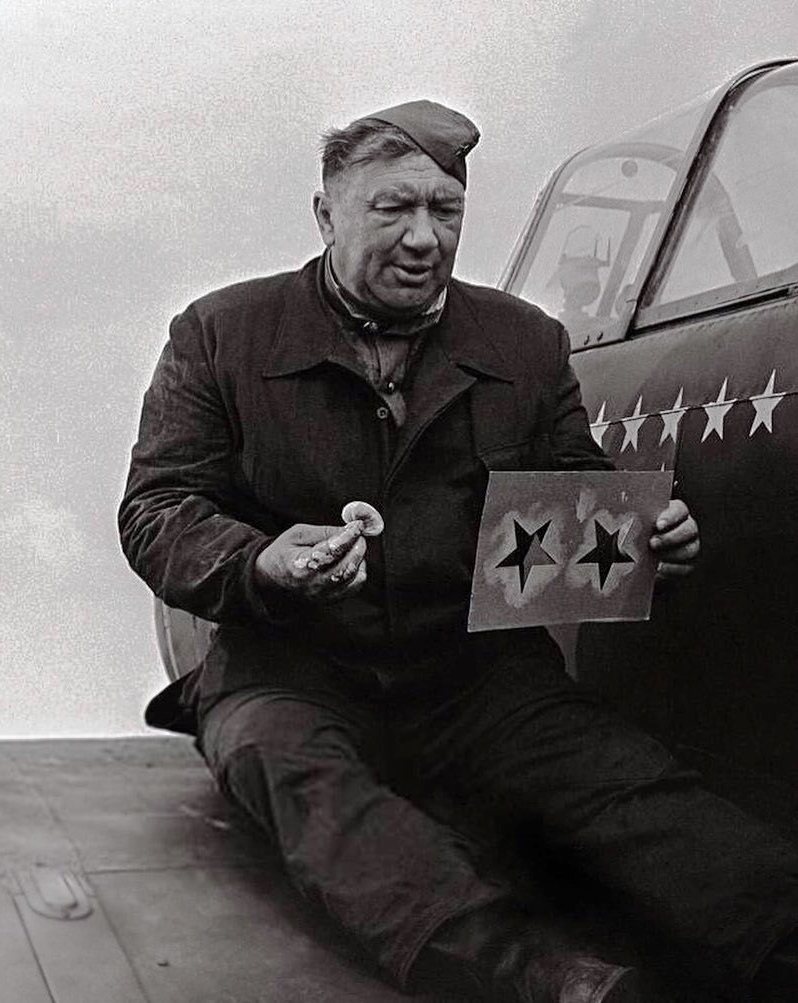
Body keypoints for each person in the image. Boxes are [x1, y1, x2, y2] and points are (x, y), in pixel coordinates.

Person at [119, 100, 798, 1002]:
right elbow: (158, 507)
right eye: (392, 209)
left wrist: (647, 536)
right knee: (292, 772)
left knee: (625, 789)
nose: (422, 237)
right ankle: (550, 978)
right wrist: (261, 560)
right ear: (325, 215)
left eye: (444, 211)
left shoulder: (525, 341)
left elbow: (575, 486)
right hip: (288, 670)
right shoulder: (217, 334)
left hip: (479, 675)